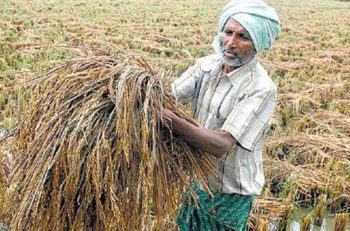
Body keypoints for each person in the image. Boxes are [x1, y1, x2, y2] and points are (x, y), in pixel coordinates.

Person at [162, 0, 281, 230]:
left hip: (229, 192)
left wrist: (168, 119)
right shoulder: (207, 66)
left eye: (243, 37)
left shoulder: (261, 88)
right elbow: (169, 97)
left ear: (257, 43)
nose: (231, 43)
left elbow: (221, 144)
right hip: (196, 179)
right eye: (228, 32)